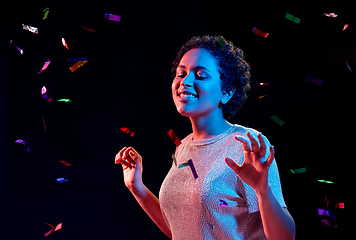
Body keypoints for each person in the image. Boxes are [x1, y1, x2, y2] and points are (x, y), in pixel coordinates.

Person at [115, 35, 295, 240]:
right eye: (180, 73)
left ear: (226, 92)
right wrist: (136, 187)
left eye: (200, 75)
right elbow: (181, 230)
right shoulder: (183, 147)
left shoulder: (246, 143)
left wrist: (263, 190)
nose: (185, 82)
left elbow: (285, 238)